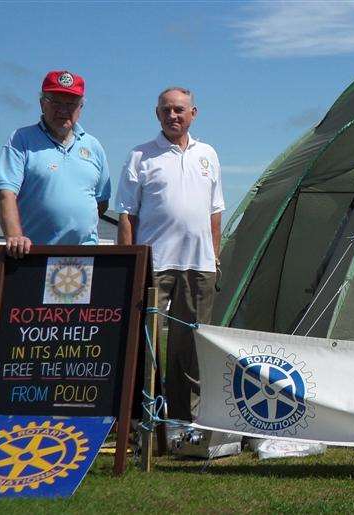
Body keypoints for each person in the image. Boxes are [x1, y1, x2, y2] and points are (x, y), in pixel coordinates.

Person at [115, 87, 224, 422]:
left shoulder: (208, 154)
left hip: (199, 265)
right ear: (157, 114)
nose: (173, 116)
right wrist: (128, 263)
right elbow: (126, 215)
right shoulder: (140, 156)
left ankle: (182, 419)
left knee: (189, 346)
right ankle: (140, 415)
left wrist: (214, 258)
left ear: (193, 113)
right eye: (166, 110)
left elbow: (215, 213)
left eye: (179, 110)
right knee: (142, 341)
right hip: (154, 264)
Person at [0, 70, 110, 257]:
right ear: (42, 104)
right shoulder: (21, 139)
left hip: (85, 255)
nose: (63, 110)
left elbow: (101, 202)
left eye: (70, 104)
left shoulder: (94, 146)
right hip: (34, 254)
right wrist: (15, 236)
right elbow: (5, 193)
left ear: (81, 108)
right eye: (55, 102)